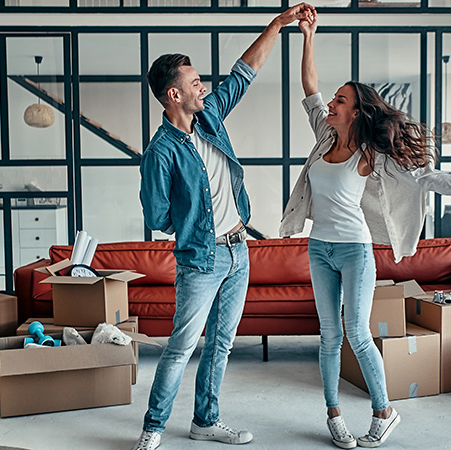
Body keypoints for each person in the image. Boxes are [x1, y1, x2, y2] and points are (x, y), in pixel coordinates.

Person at [280, 11, 451, 449]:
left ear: (357, 111)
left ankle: (384, 411)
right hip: (319, 249)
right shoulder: (324, 135)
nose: (330, 104)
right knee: (329, 337)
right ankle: (333, 414)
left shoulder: (374, 154)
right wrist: (308, 37)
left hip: (354, 250)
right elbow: (308, 87)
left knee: (357, 334)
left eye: (340, 101)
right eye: (333, 100)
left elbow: (426, 177)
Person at [135, 4, 316, 450]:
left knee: (221, 344)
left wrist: (278, 24)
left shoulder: (210, 116)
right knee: (181, 347)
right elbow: (157, 216)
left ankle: (205, 421)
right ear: (173, 95)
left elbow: (244, 73)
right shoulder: (160, 153)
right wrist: (196, 222)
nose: (203, 87)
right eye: (194, 82)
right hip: (202, 257)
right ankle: (153, 429)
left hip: (239, 252)